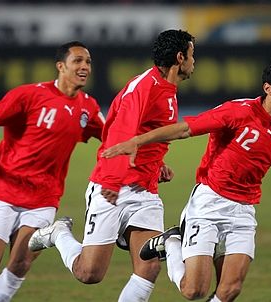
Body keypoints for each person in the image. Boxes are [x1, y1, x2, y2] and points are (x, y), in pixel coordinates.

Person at [101, 60, 271, 301]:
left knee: (230, 289)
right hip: (208, 204)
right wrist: (138, 140)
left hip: (243, 212)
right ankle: (172, 242)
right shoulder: (238, 111)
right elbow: (185, 129)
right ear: (268, 88)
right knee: (194, 290)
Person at [29, 29, 196, 301]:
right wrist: (112, 181)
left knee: (149, 267)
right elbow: (119, 133)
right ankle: (59, 233)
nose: (193, 61)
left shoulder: (166, 88)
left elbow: (145, 134)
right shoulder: (145, 88)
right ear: (180, 57)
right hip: (113, 187)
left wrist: (157, 161)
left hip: (145, 190)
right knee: (89, 273)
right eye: (191, 55)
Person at [0, 41, 104, 302]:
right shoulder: (30, 95)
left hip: (43, 198)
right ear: (61, 66)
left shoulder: (88, 107)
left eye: (88, 62)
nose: (84, 67)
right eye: (78, 61)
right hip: (3, 190)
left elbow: (113, 140)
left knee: (19, 266)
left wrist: (147, 159)